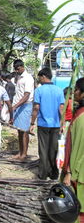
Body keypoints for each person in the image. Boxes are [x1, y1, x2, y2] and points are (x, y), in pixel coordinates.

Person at [29, 68, 65, 180]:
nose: (39, 79)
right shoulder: (59, 90)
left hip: (43, 124)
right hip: (55, 124)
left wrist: (32, 122)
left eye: (39, 77)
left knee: (43, 149)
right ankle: (54, 174)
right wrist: (62, 124)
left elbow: (36, 107)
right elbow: (61, 108)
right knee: (54, 149)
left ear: (44, 76)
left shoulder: (39, 90)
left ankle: (43, 174)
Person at [62, 77, 84, 223]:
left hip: (79, 173)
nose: (74, 93)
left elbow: (77, 147)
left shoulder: (82, 117)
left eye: (76, 90)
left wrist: (69, 172)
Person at [12, 59, 34, 161]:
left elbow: (26, 95)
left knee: (24, 131)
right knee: (19, 131)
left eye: (17, 69)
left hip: (25, 106)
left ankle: (24, 154)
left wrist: (15, 106)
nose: (16, 71)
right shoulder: (19, 78)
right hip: (18, 106)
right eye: (15, 69)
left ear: (22, 67)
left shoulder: (28, 78)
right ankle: (20, 152)